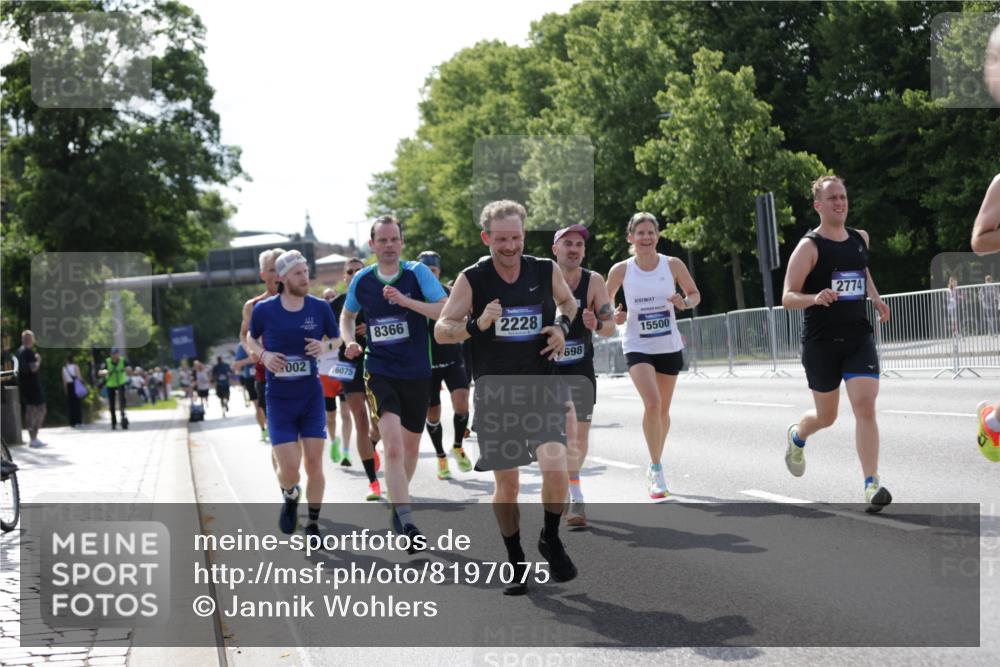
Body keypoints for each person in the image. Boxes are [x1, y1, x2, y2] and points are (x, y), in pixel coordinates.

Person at [435, 200, 579, 594]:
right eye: (501, 239)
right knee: (509, 486)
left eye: (516, 237)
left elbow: (568, 302)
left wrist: (561, 327)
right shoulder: (473, 279)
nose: (510, 246)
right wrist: (476, 324)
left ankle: (550, 537)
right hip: (497, 392)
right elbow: (442, 329)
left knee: (555, 466)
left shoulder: (544, 269)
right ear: (487, 239)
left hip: (541, 385)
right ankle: (516, 561)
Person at [781, 175, 893, 512]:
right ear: (818, 205)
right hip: (821, 344)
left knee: (865, 405)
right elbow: (787, 296)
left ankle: (871, 483)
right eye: (832, 198)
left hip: (858, 336)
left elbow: (862, 269)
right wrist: (815, 297)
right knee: (826, 417)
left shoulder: (860, 238)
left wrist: (874, 297)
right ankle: (798, 436)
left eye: (843, 196)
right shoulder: (809, 246)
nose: (839, 202)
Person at [340, 216, 447, 546]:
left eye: (394, 239)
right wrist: (349, 342)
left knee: (411, 449)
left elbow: (443, 309)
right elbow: (347, 316)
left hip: (416, 371)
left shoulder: (417, 273)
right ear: (371, 245)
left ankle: (399, 502)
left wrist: (406, 302)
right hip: (380, 370)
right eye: (382, 240)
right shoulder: (362, 280)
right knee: (394, 446)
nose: (388, 245)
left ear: (401, 243)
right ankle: (408, 520)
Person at [246, 249, 341, 538]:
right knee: (289, 469)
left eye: (306, 272)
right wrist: (263, 355)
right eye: (299, 273)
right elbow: (250, 338)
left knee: (314, 462)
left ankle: (312, 523)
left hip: (310, 395)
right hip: (279, 399)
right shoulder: (264, 310)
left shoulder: (319, 308)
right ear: (284, 278)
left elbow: (336, 339)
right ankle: (289, 494)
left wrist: (324, 347)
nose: (305, 278)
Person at [605, 213, 701, 499]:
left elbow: (695, 294)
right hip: (637, 345)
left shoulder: (672, 265)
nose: (646, 237)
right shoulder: (621, 271)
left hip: (668, 345)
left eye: (651, 232)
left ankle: (654, 461)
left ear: (657, 236)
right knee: (652, 403)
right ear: (630, 238)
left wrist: (684, 302)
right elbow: (605, 307)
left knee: (662, 411)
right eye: (640, 233)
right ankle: (657, 469)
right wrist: (617, 317)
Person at [550, 224, 616, 525]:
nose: (574, 249)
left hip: (580, 367)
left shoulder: (593, 281)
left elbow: (610, 327)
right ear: (556, 249)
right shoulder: (541, 278)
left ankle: (568, 487)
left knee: (580, 436)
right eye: (568, 243)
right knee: (567, 431)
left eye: (578, 244)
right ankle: (576, 497)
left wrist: (595, 325)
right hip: (549, 367)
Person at [417, 251, 475, 480]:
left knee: (462, 403)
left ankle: (458, 446)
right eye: (426, 271)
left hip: (452, 358)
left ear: (439, 271)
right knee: (433, 414)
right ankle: (441, 457)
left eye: (434, 271)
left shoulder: (450, 293)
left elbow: (466, 319)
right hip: (426, 364)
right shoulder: (412, 296)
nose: (430, 275)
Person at [332, 257, 383, 496]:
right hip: (349, 368)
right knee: (360, 421)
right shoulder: (337, 304)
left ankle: (372, 446)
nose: (354, 274)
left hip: (379, 365)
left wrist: (371, 328)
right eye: (349, 271)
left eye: (358, 270)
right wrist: (344, 336)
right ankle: (373, 481)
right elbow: (327, 337)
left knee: (380, 424)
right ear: (345, 277)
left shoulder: (378, 297)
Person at [240, 248, 285, 443]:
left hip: (300, 374)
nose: (276, 273)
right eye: (271, 269)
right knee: (278, 431)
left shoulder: (302, 301)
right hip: (266, 374)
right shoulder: (254, 305)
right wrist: (252, 350)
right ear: (262, 275)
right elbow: (245, 334)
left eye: (280, 268)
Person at [322, 288, 346, 462]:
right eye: (326, 298)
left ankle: (346, 450)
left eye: (333, 296)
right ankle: (334, 442)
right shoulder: (317, 321)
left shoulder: (344, 318)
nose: (331, 300)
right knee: (330, 416)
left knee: (346, 413)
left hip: (343, 371)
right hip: (324, 374)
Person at [16, 330, 48, 447]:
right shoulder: (29, 352)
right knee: (41, 409)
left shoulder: (19, 351)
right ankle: (34, 436)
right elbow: (33, 368)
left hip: (23, 385)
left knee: (29, 410)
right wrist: (38, 360)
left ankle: (32, 438)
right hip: (33, 385)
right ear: (30, 340)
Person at [99, 348, 128, 430]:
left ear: (118, 354)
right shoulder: (107, 361)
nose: (114, 355)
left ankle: (123, 416)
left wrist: (128, 369)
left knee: (122, 401)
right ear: (111, 354)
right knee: (112, 404)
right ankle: (113, 422)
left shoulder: (122, 360)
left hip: (120, 383)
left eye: (115, 353)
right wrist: (105, 371)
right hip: (110, 385)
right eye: (113, 353)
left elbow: (129, 368)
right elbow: (100, 371)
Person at [62, 353, 84, 428]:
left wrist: (65, 390)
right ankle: (79, 421)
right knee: (77, 404)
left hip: (69, 386)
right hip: (75, 385)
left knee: (71, 405)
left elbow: (64, 381)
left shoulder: (64, 368)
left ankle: (72, 422)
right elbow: (79, 377)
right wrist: (82, 383)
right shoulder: (75, 366)